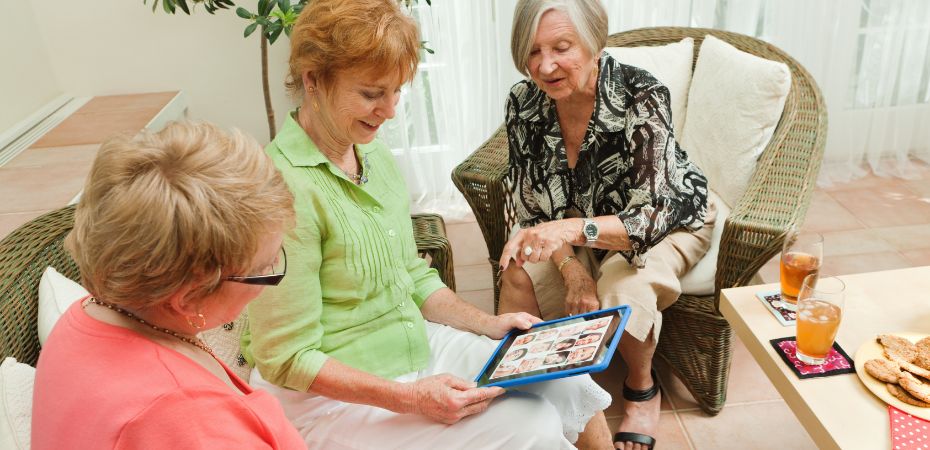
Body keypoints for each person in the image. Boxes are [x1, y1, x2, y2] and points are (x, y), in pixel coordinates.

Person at [241, 0, 614, 448]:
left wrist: (486, 324)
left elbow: (412, 274)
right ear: (313, 80)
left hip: (414, 347)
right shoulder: (281, 189)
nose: (390, 110)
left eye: (396, 91)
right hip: (333, 398)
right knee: (530, 423)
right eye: (371, 93)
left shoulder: (371, 153)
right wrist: (412, 398)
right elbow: (286, 357)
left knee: (566, 377)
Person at [499, 1, 717, 449]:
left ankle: (642, 386)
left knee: (623, 287)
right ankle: (531, 387)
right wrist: (571, 267)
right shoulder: (524, 103)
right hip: (578, 226)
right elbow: (535, 209)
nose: (545, 65)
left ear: (596, 43)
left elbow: (648, 214)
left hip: (667, 220)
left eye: (562, 47)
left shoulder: (642, 95)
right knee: (520, 269)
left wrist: (573, 232)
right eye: (533, 51)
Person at [31, 122, 303, 449]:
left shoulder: (87, 315)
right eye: (264, 269)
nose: (272, 275)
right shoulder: (185, 418)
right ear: (188, 298)